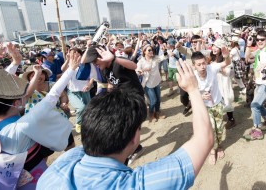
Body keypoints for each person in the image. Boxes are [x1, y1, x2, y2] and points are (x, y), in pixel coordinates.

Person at [37, 59, 214, 189]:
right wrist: (192, 89)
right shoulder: (133, 185)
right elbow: (203, 140)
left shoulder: (55, 171)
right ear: (135, 138)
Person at [0, 54, 80, 189]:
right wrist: (71, 69)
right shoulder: (23, 125)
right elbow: (53, 95)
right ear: (17, 102)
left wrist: (15, 64)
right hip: (35, 181)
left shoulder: (9, 127)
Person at [191, 49, 230, 165]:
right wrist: (201, 96)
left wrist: (227, 56)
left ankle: (220, 146)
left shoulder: (212, 68)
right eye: (199, 65)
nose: (202, 67)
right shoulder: (193, 77)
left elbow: (226, 63)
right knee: (211, 129)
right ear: (194, 66)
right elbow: (190, 93)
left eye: (204, 63)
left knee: (219, 128)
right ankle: (213, 151)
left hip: (217, 103)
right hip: (204, 107)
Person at [244, 30, 266, 140]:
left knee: (254, 105)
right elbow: (247, 58)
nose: (259, 41)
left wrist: (265, 64)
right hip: (259, 82)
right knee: (259, 105)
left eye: (262, 39)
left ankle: (257, 129)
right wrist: (248, 46)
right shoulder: (259, 51)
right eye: (257, 39)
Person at [61, 48, 93, 133]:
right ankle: (78, 123)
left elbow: (92, 77)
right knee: (81, 108)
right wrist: (68, 60)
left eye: (77, 54)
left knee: (88, 109)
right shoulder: (70, 65)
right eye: (72, 54)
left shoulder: (86, 65)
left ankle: (86, 124)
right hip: (72, 92)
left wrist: (89, 84)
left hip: (84, 91)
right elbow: (62, 69)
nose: (75, 56)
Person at [136, 44, 166, 122]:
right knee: (153, 101)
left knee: (158, 100)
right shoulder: (141, 60)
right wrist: (141, 70)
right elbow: (137, 68)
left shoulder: (155, 58)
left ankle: (157, 113)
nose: (151, 51)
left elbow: (164, 57)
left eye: (152, 50)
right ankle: (151, 114)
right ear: (144, 52)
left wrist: (165, 50)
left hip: (156, 82)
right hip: (148, 84)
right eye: (149, 50)